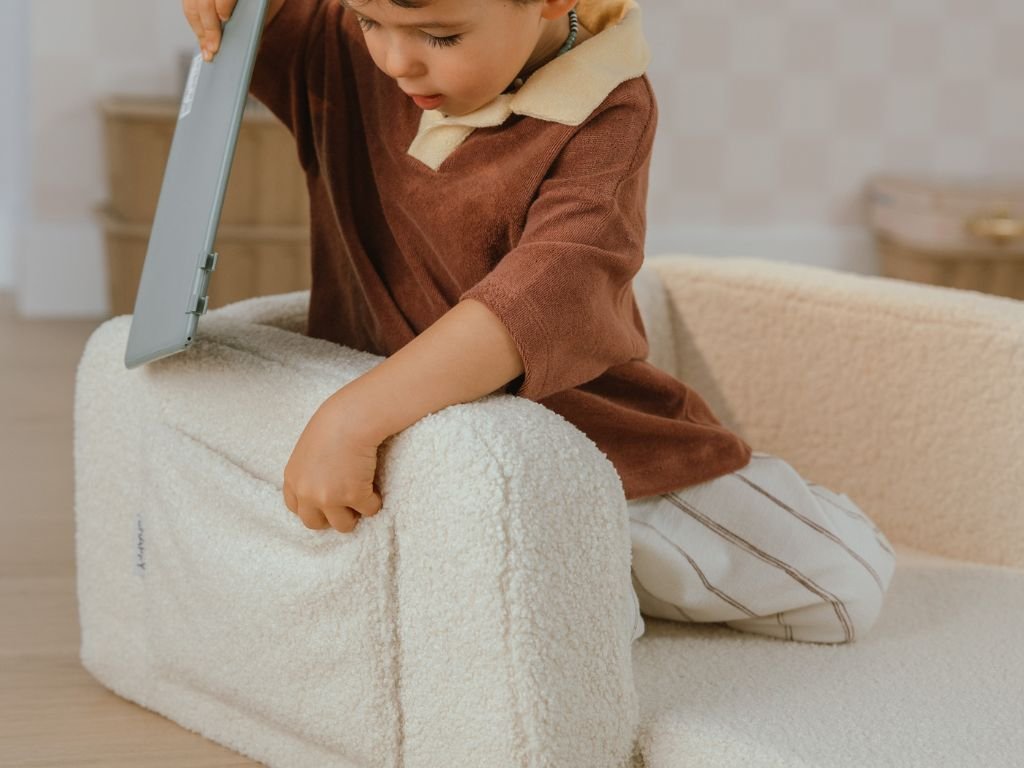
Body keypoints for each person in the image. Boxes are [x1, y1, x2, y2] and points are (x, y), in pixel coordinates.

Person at [182, 0, 896, 645]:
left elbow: (549, 292)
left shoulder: (608, 111)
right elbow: (246, 19)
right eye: (369, 21)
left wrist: (353, 417)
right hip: (440, 458)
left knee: (850, 582)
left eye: (440, 36)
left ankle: (714, 537)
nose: (396, 61)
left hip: (596, 448)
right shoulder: (342, 44)